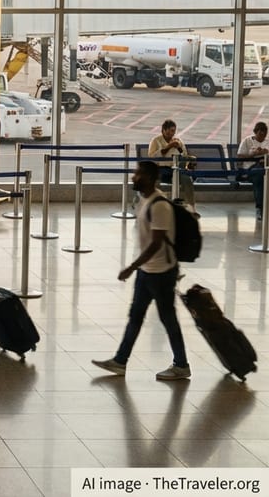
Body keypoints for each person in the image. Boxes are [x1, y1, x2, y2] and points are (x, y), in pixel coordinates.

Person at [92, 160, 191, 381]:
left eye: (138, 174)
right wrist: (138, 268)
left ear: (149, 177)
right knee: (135, 317)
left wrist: (130, 267)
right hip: (147, 271)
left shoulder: (160, 205)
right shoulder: (144, 200)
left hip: (161, 273)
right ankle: (120, 361)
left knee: (168, 318)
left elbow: (156, 244)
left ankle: (181, 365)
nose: (133, 177)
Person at [148, 119, 196, 213]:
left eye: (173, 131)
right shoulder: (156, 141)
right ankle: (153, 207)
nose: (172, 133)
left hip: (177, 170)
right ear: (163, 130)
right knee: (155, 181)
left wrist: (178, 147)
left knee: (187, 180)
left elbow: (184, 155)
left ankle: (191, 208)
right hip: (162, 170)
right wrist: (168, 147)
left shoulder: (178, 141)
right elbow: (152, 157)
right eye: (170, 131)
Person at [236, 121, 269, 219]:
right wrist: (252, 154)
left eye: (264, 134)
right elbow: (240, 156)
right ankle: (260, 207)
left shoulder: (267, 142)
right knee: (260, 177)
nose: (262, 137)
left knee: (262, 176)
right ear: (256, 132)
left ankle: (261, 207)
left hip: (265, 166)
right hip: (251, 168)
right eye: (260, 134)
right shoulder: (247, 141)